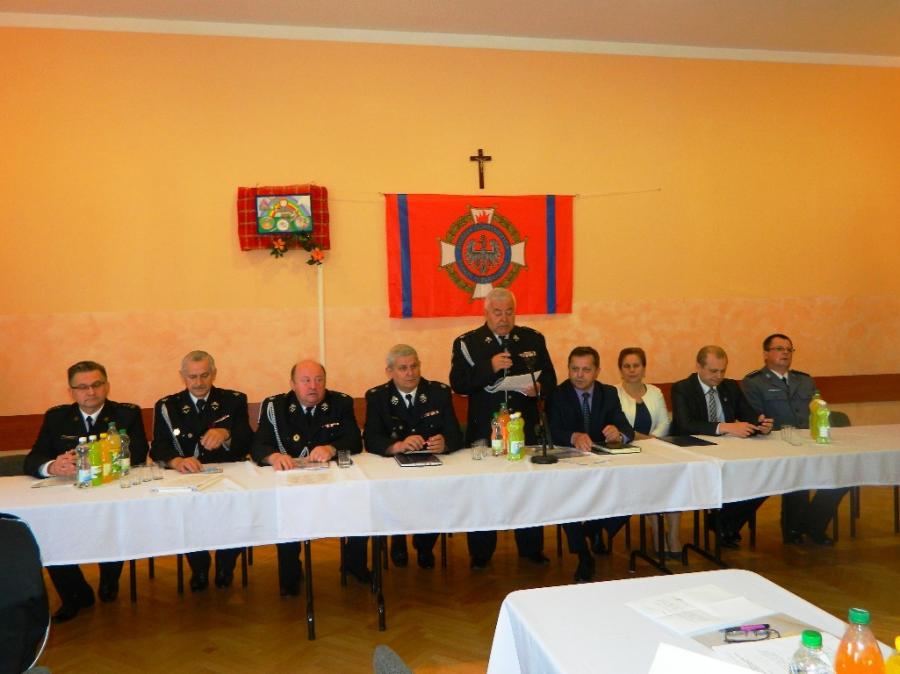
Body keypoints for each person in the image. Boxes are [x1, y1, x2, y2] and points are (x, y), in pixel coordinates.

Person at [23, 360, 148, 622]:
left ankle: (109, 580)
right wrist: (52, 466)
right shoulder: (56, 417)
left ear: (107, 385)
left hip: (110, 492)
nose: (90, 392)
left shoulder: (126, 414)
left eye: (96, 384)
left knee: (112, 523)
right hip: (66, 496)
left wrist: (89, 459)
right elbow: (33, 459)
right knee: (49, 531)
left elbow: (137, 454)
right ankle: (74, 594)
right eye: (82, 387)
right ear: (71, 391)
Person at [449, 287, 557, 568]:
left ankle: (531, 548)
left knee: (527, 488)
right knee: (484, 491)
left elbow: (551, 379)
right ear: (486, 313)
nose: (504, 318)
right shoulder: (468, 343)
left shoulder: (532, 338)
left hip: (524, 428)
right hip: (485, 431)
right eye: (497, 312)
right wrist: (490, 366)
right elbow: (459, 384)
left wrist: (539, 388)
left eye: (509, 312)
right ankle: (481, 553)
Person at [251, 359, 367, 595]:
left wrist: (331, 448)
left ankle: (354, 563)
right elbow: (258, 445)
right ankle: (291, 574)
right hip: (291, 483)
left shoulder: (340, 403)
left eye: (318, 380)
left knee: (360, 500)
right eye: (305, 381)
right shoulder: (275, 407)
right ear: (293, 384)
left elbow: (355, 440)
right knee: (286, 513)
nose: (313, 386)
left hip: (332, 482)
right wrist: (273, 456)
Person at [151, 350, 253, 591]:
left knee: (239, 511)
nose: (198, 382)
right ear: (182, 376)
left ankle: (226, 564)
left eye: (204, 375)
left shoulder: (233, 400)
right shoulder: (168, 406)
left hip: (228, 475)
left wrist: (226, 434)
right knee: (186, 516)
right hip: (188, 477)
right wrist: (176, 461)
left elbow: (248, 440)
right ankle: (199, 566)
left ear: (214, 373)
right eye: (192, 376)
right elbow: (158, 447)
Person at [364, 344, 463, 569]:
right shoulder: (378, 397)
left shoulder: (438, 392)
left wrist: (445, 443)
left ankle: (425, 544)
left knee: (439, 494)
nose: (410, 373)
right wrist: (396, 445)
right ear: (389, 372)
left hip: (432, 467)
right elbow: (371, 438)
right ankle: (398, 539)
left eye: (414, 366)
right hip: (395, 469)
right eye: (403, 368)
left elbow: (456, 434)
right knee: (394, 494)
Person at [742, 333, 845, 545]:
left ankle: (813, 524)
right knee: (797, 476)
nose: (786, 353)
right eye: (779, 349)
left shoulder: (804, 380)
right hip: (776, 445)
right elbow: (753, 417)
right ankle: (794, 530)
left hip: (809, 441)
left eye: (789, 349)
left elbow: (817, 410)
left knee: (842, 476)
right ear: (765, 354)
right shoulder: (754, 383)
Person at [670, 345, 773, 548]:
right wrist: (724, 427)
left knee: (763, 477)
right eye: (713, 371)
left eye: (722, 371)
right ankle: (724, 524)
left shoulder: (730, 387)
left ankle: (724, 522)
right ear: (698, 366)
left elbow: (748, 416)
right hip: (695, 453)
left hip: (729, 453)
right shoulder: (682, 388)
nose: (719, 376)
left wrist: (762, 425)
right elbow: (685, 424)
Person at [549, 346, 635, 583]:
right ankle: (584, 556)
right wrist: (573, 436)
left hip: (603, 465)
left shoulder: (609, 393)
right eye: (574, 369)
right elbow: (552, 431)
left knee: (634, 487)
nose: (579, 375)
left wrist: (618, 434)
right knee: (565, 502)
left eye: (586, 370)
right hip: (570, 465)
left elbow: (626, 429)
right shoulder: (558, 394)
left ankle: (593, 528)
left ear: (597, 371)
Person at [615, 347, 679, 556]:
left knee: (675, 480)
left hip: (658, 450)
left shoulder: (655, 392)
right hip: (628, 454)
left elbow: (664, 423)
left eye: (636, 365)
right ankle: (657, 530)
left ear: (644, 368)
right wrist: (644, 439)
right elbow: (622, 428)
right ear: (620, 370)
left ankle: (674, 535)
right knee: (650, 481)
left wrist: (652, 440)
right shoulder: (613, 393)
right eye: (627, 366)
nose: (632, 370)